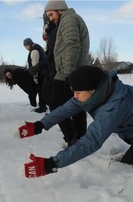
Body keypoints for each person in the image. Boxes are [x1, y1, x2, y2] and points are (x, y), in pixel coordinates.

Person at [17, 66, 133, 178]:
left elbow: (91, 141)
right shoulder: (103, 91)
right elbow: (68, 108)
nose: (75, 97)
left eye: (77, 93)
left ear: (93, 90)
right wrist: (41, 125)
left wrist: (52, 164)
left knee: (127, 170)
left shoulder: (113, 106)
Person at [43, 0, 90, 147]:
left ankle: (72, 137)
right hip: (72, 70)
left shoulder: (68, 19)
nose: (51, 18)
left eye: (51, 14)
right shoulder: (67, 20)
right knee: (76, 105)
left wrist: (68, 73)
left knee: (55, 104)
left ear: (60, 9)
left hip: (69, 71)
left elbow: (72, 45)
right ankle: (80, 137)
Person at [23, 38, 47, 113]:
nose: (26, 48)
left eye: (26, 46)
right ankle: (43, 106)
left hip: (40, 73)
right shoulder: (38, 48)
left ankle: (42, 107)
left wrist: (35, 76)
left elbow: (35, 65)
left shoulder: (34, 50)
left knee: (40, 90)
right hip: (44, 72)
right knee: (41, 90)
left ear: (28, 44)